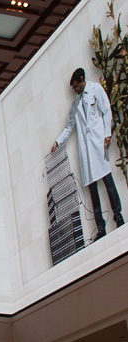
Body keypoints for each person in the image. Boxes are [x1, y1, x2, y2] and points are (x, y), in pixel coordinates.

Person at [51, 67, 124, 241]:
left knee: (109, 183)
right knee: (93, 191)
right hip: (86, 151)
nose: (75, 90)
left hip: (98, 144)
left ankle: (118, 217)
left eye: (76, 86)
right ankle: (101, 227)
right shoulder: (75, 105)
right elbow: (69, 127)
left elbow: (106, 111)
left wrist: (107, 134)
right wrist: (58, 141)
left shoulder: (95, 90)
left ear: (82, 80)